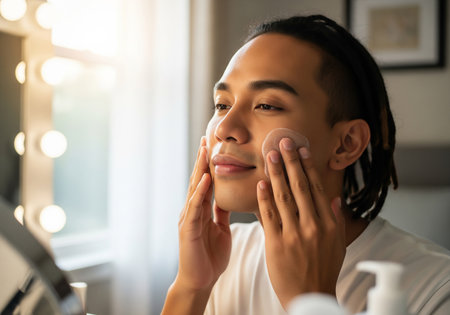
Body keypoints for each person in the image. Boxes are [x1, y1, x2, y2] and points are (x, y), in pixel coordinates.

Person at [162, 15, 450, 315]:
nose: (224, 128)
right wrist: (190, 286)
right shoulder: (226, 258)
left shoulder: (436, 290)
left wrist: (314, 300)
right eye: (222, 105)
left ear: (346, 143)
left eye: (267, 105)